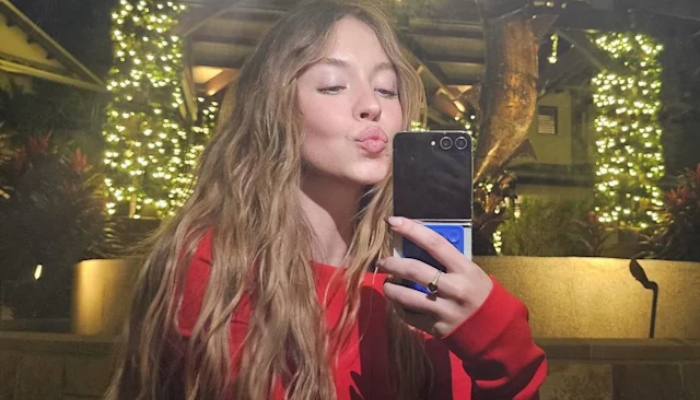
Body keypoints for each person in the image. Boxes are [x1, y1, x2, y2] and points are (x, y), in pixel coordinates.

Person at [106, 1, 547, 399]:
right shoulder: (215, 267)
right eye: (333, 85)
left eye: (387, 88)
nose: (371, 105)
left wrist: (504, 355)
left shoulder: (414, 277)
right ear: (274, 108)